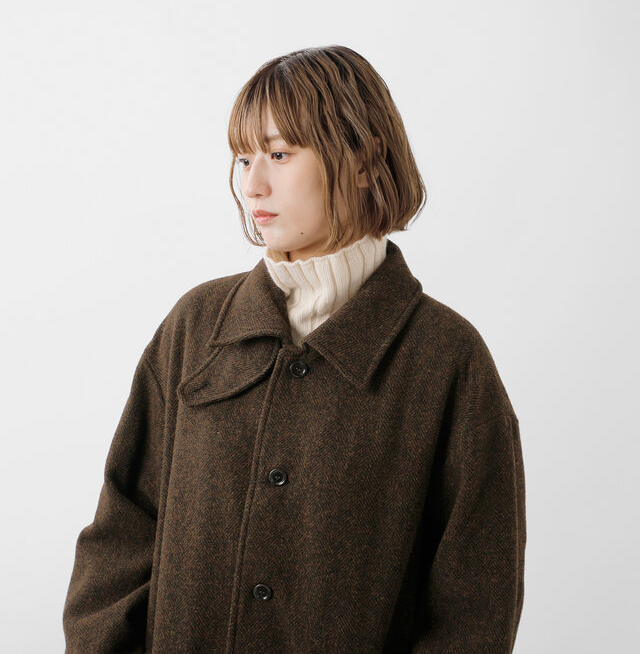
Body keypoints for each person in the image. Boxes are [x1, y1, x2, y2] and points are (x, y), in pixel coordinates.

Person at [63, 45, 526, 652]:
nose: (252, 184)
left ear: (365, 160)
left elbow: (475, 611)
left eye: (280, 155)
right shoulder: (196, 327)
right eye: (244, 158)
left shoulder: (447, 360)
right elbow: (119, 540)